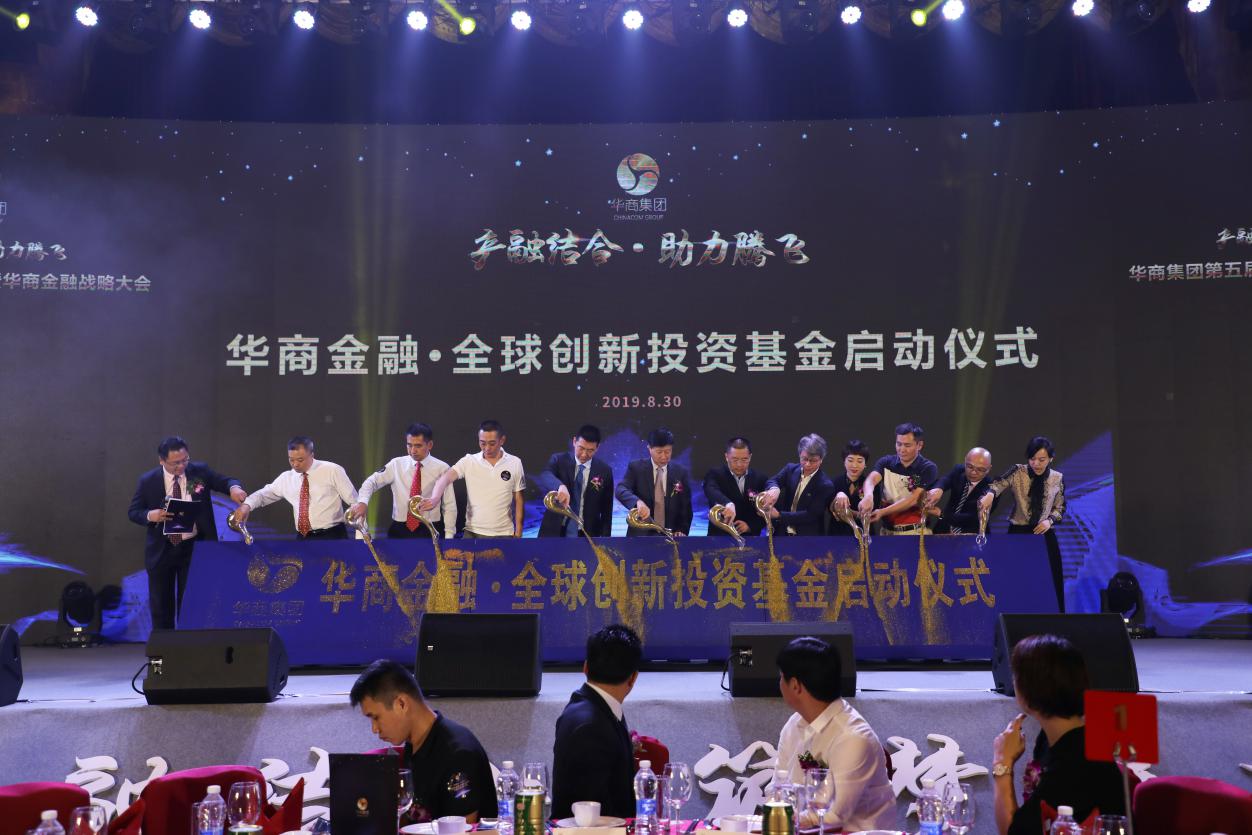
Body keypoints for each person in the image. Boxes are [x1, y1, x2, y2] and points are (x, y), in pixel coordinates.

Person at [991, 634, 1125, 835]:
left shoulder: (1077, 760)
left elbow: (1014, 833)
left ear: (1027, 693)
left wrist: (1002, 762)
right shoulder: (1054, 739)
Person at [350, 659, 497, 824]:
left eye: (376, 717)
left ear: (401, 704)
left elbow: (462, 830)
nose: (374, 729)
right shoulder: (414, 743)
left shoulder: (458, 754)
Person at [773, 637, 896, 831]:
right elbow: (778, 787)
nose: (779, 683)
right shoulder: (794, 724)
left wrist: (781, 818)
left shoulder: (853, 738)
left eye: (781, 677)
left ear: (795, 685)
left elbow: (834, 814)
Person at [127, 436, 248, 630]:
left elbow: (226, 481)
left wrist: (234, 488)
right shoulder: (148, 481)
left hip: (193, 548)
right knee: (161, 606)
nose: (181, 466)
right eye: (175, 463)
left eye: (185, 460)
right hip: (162, 550)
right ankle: (163, 647)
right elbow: (133, 512)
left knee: (191, 605)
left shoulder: (198, 472)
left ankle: (187, 646)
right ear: (162, 461)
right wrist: (151, 515)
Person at [551, 624, 643, 821]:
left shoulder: (592, 708)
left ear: (585, 667)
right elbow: (592, 816)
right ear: (633, 678)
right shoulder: (590, 726)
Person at [979, 437, 1067, 611]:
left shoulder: (1057, 478)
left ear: (1051, 458)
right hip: (1018, 532)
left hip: (1044, 534)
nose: (1036, 464)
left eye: (1041, 459)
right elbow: (997, 485)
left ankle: (1051, 619)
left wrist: (1049, 521)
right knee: (1016, 579)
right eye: (1032, 459)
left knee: (1049, 580)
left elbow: (1061, 508)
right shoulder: (1018, 471)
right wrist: (990, 494)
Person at [233, 436, 357, 538]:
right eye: (291, 460)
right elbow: (264, 494)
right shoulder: (287, 478)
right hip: (303, 537)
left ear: (312, 455)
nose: (295, 464)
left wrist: (361, 538)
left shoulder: (332, 470)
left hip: (332, 535)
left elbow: (355, 503)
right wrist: (246, 506)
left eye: (300, 460)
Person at [422, 420, 525, 538]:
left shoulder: (515, 462)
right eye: (483, 443)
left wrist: (519, 533)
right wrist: (435, 498)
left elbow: (519, 500)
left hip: (504, 534)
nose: (487, 448)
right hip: (472, 533)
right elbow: (445, 479)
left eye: (492, 443)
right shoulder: (469, 461)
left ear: (502, 440)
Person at [351, 423, 456, 539]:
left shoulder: (442, 468)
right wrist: (363, 502)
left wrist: (449, 536)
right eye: (409, 445)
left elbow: (449, 505)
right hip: (399, 529)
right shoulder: (396, 464)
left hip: (430, 527)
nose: (413, 451)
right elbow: (371, 482)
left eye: (418, 446)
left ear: (430, 445)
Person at [858, 422, 939, 535]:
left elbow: (913, 499)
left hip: (914, 532)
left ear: (919, 445)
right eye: (899, 444)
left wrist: (882, 512)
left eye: (907, 445)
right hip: (886, 532)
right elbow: (872, 479)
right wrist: (868, 496)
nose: (902, 449)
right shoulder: (886, 462)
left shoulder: (927, 468)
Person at [537, 425, 615, 538]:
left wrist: (606, 539)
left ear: (597, 447)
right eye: (581, 448)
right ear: (574, 442)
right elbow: (545, 474)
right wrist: (560, 486)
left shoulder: (604, 471)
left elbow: (607, 510)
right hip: (555, 530)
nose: (584, 454)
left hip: (587, 534)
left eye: (590, 450)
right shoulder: (559, 460)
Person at [615, 427, 693, 537]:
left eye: (668, 451)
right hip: (640, 536)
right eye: (659, 452)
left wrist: (682, 531)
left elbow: (686, 508)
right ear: (649, 449)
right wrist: (637, 502)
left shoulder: (681, 473)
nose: (664, 456)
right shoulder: (636, 468)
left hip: (671, 536)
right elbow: (621, 489)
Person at [759, 434, 836, 536]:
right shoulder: (790, 469)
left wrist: (779, 515)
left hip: (807, 537)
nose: (808, 464)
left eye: (813, 461)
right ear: (800, 454)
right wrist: (775, 489)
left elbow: (811, 515)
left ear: (821, 459)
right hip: (782, 533)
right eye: (804, 459)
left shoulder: (825, 485)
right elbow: (773, 480)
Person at [702, 436, 770, 538]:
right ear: (726, 457)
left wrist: (750, 526)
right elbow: (710, 490)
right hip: (719, 538)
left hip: (751, 539)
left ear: (750, 457)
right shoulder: (715, 474)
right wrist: (728, 503)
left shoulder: (760, 478)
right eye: (735, 459)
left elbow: (767, 511)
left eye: (744, 459)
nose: (739, 464)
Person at [922, 446, 997, 534]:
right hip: (944, 530)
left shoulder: (992, 489)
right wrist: (938, 489)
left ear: (989, 469)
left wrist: (941, 514)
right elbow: (945, 480)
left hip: (972, 534)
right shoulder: (959, 470)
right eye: (970, 466)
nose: (973, 472)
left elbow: (974, 519)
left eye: (980, 469)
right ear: (965, 461)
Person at [828, 440, 871, 537]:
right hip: (837, 535)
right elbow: (831, 509)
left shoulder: (871, 484)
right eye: (850, 460)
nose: (854, 465)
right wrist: (838, 495)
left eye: (859, 461)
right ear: (844, 461)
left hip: (864, 536)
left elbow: (872, 513)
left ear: (865, 464)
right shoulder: (834, 483)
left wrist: (849, 512)